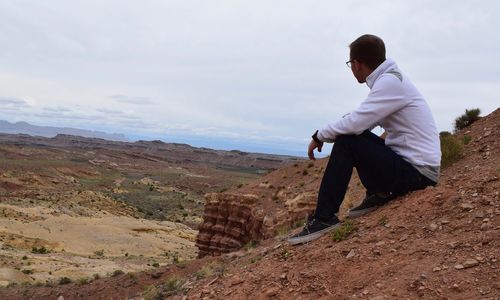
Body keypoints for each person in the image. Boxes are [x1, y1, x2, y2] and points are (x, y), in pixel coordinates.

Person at [288, 34, 441, 245]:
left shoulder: (390, 83)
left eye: (350, 63)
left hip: (419, 175)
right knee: (352, 135)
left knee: (347, 140)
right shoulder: (390, 80)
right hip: (414, 169)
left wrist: (319, 135)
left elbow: (356, 123)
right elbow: (364, 120)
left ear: (356, 64)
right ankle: (378, 192)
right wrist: (338, 128)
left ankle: (324, 218)